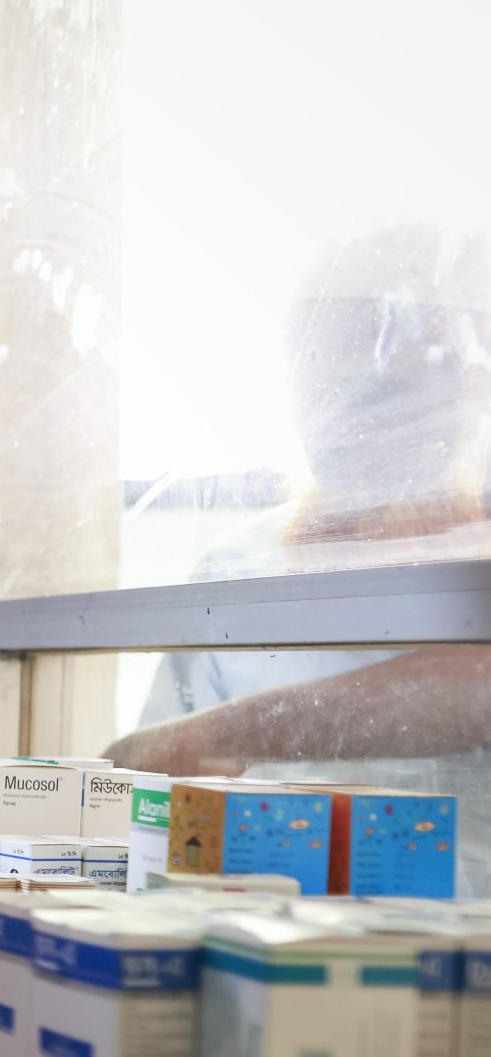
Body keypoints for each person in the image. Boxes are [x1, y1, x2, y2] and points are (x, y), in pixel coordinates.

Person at [109, 224, 491, 891]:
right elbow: (160, 794)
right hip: (265, 957)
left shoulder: (475, 558)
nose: (338, 425)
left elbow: (476, 685)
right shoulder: (237, 571)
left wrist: (223, 733)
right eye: (321, 390)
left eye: (377, 394)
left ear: (463, 388)